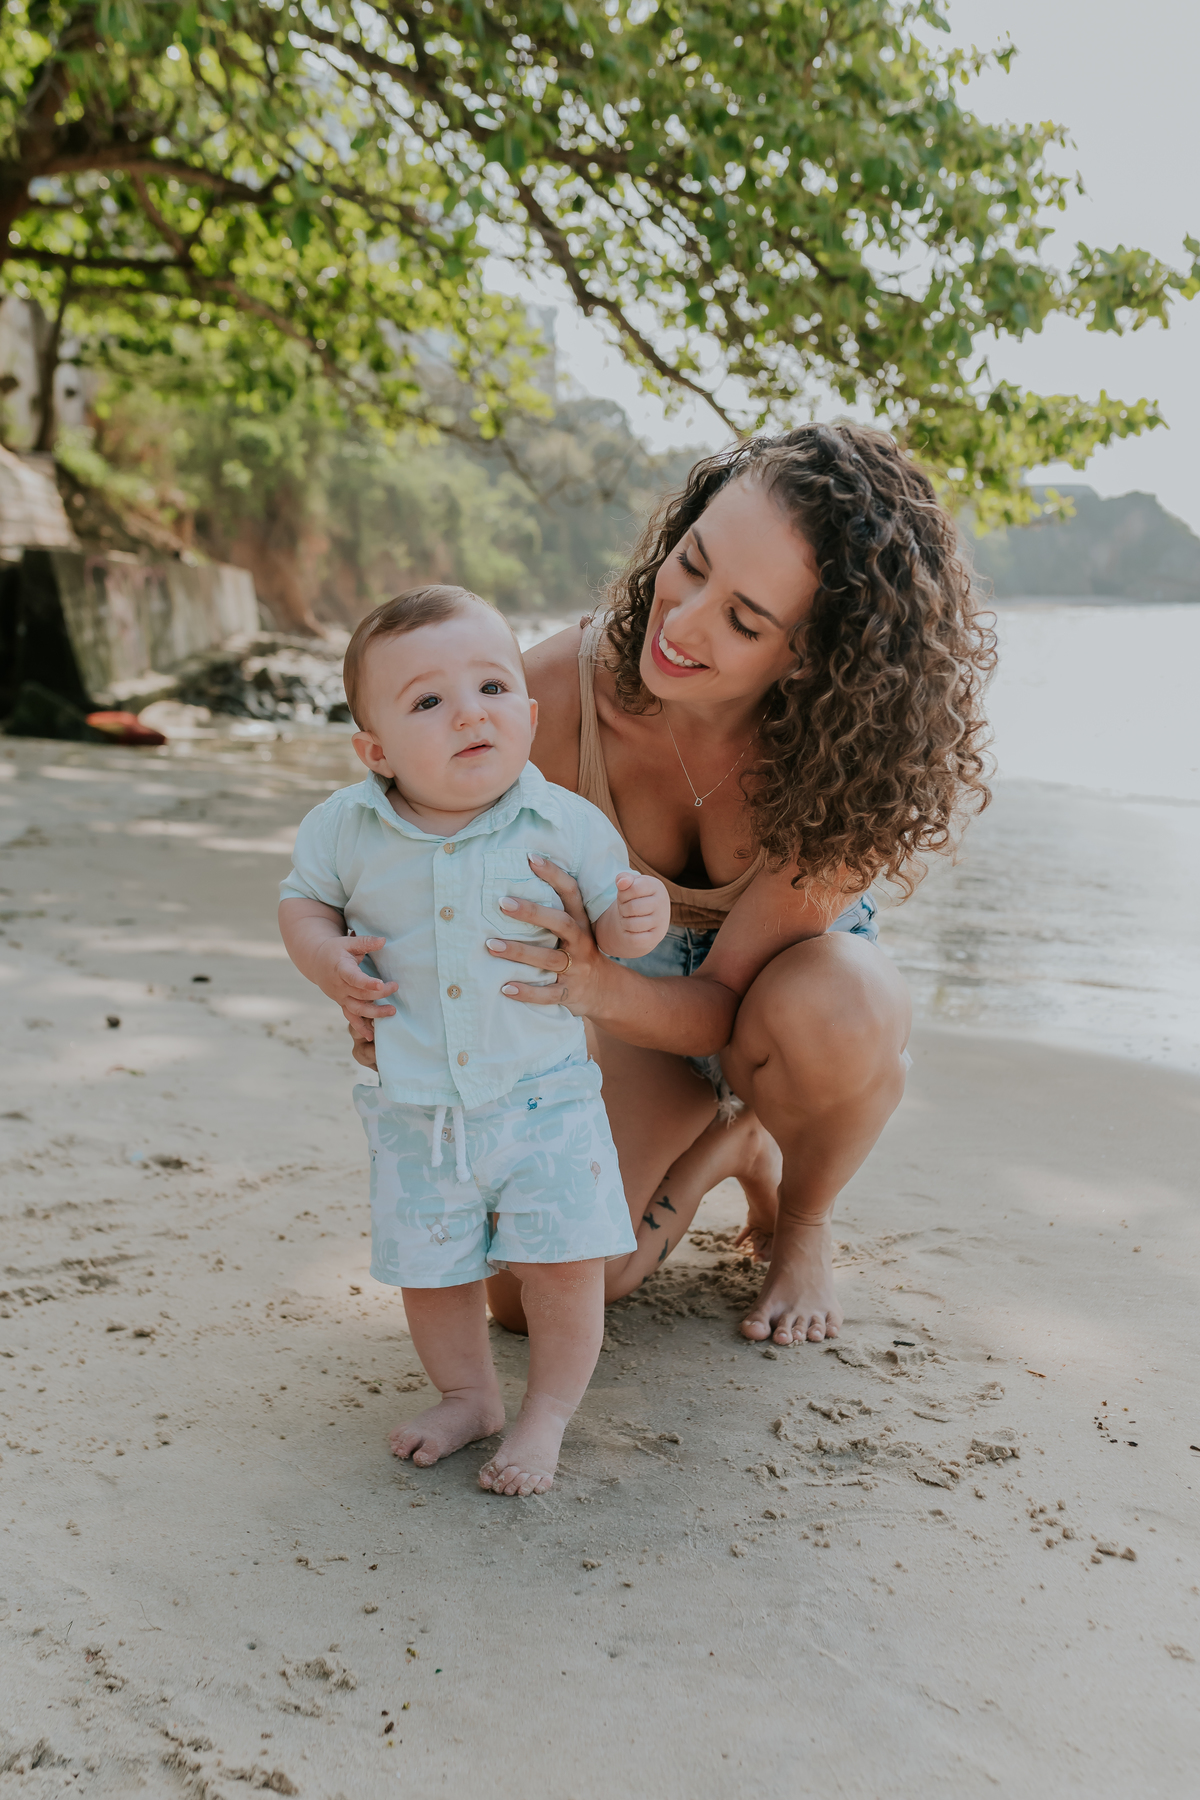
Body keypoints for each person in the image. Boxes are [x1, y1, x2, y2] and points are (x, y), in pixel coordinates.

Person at [347, 423, 995, 1350]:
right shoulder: (552, 699)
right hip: (634, 1019)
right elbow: (404, 849)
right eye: (690, 565)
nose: (681, 622)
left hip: (770, 1014)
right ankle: (725, 1146)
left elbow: (726, 1003)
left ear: (811, 655)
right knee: (525, 1302)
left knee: (843, 1006)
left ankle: (802, 1219)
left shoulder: (854, 767)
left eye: (743, 620)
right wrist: (369, 981)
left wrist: (588, 983)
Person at [278, 586, 671, 1495]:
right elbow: (302, 902)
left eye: (493, 687)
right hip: (418, 1110)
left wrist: (639, 917)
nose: (470, 714)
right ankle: (468, 1396)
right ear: (375, 749)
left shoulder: (565, 823)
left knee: (565, 1266)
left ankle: (547, 1414)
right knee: (433, 1269)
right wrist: (324, 958)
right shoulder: (347, 826)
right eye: (428, 701)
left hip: (546, 1103)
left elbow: (613, 932)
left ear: (531, 716)